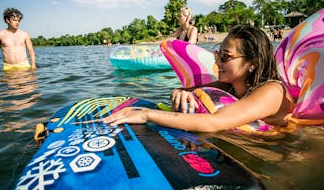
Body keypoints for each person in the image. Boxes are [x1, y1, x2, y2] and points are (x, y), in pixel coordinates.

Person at [103, 25, 295, 132]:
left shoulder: (272, 91)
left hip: (282, 152)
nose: (218, 61)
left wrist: (147, 114)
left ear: (252, 62)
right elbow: (188, 92)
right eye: (218, 54)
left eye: (226, 57)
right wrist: (180, 93)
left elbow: (214, 123)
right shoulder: (228, 86)